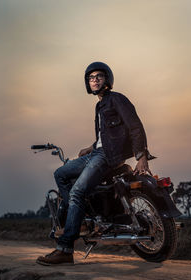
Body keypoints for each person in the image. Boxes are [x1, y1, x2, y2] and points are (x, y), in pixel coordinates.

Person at [36, 62, 154, 266]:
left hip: (108, 157)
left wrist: (141, 155)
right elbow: (106, 136)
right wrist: (90, 147)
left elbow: (135, 126)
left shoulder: (116, 99)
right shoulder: (100, 105)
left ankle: (65, 249)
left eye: (99, 76)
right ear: (87, 83)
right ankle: (79, 219)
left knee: (77, 192)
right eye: (91, 78)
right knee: (60, 173)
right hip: (97, 153)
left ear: (107, 79)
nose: (95, 80)